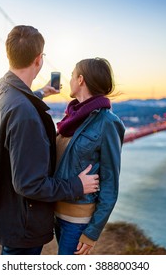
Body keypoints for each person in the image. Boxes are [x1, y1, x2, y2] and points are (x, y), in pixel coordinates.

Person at [0, 25, 99, 255]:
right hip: (24, 225)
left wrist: (39, 93)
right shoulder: (25, 114)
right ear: (39, 60)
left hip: (7, 213)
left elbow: (15, 106)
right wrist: (77, 185)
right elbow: (30, 184)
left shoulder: (0, 90)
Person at [54, 57, 125, 255]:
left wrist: (93, 231)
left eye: (71, 75)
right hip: (55, 213)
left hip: (78, 222)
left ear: (80, 80)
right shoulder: (71, 117)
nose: (69, 80)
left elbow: (110, 182)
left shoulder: (108, 122)